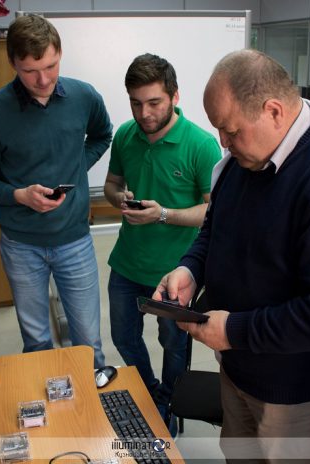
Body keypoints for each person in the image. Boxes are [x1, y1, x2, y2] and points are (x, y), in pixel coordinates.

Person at [154, 49, 310, 462]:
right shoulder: (244, 160)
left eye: (231, 130)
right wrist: (191, 269)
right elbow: (214, 228)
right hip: (241, 373)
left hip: (302, 396)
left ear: (273, 111)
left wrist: (235, 331)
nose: (223, 142)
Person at [0, 14, 112, 368]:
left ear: (60, 53)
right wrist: (20, 195)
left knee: (89, 344)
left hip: (75, 239)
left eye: (50, 66)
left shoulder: (83, 96)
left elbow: (102, 135)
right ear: (13, 62)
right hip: (21, 247)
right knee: (37, 345)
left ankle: (91, 415)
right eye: (30, 71)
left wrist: (78, 165)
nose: (43, 79)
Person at [103, 53, 221, 426]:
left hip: (175, 272)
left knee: (174, 344)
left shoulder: (201, 145)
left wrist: (164, 214)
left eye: (154, 102)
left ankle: (168, 404)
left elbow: (213, 212)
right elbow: (111, 185)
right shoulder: (125, 135)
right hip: (126, 263)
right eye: (136, 103)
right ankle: (151, 394)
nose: (144, 113)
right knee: (123, 338)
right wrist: (118, 198)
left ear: (174, 96)